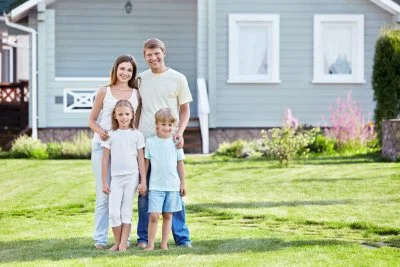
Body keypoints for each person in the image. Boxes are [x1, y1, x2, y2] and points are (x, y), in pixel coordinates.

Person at [136, 38, 193, 248]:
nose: (153, 58)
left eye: (157, 53)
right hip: (146, 143)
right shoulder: (141, 79)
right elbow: (138, 107)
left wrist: (179, 132)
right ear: (144, 56)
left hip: (169, 141)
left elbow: (185, 110)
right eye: (149, 55)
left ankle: (182, 237)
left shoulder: (178, 78)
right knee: (145, 191)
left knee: (173, 190)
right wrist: (134, 132)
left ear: (164, 52)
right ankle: (144, 237)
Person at [89, 55, 140, 250]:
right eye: (122, 69)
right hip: (102, 147)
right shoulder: (105, 91)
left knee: (126, 196)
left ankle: (124, 240)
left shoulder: (136, 93)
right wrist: (100, 131)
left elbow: (136, 121)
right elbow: (92, 120)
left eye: (129, 70)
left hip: (125, 151)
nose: (125, 73)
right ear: (115, 70)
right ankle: (100, 239)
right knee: (104, 193)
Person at [101, 100, 146, 251]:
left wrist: (143, 181)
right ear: (115, 115)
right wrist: (104, 182)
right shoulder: (110, 135)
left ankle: (123, 243)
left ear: (132, 115)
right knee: (114, 212)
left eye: (127, 114)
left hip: (132, 177)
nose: (124, 117)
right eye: (120, 114)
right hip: (116, 179)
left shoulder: (137, 135)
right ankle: (117, 241)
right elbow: (105, 159)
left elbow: (141, 160)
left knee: (126, 211)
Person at [143, 108, 186, 250]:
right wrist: (143, 181)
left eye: (170, 125)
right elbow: (146, 164)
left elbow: (180, 164)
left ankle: (164, 244)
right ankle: (150, 245)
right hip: (155, 186)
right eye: (163, 124)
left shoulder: (176, 143)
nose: (167, 128)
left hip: (173, 186)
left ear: (174, 126)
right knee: (154, 215)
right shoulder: (150, 142)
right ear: (157, 125)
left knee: (168, 215)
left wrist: (183, 183)